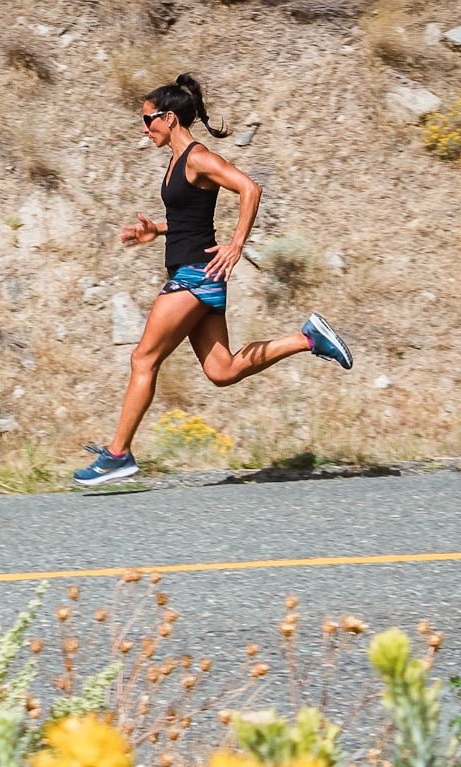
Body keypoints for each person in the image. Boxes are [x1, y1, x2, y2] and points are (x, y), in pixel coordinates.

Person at [72, 73, 353, 487]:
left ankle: (118, 455)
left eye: (148, 120)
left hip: (195, 276)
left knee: (142, 359)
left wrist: (236, 245)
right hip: (195, 273)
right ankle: (307, 338)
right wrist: (158, 232)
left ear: (169, 118)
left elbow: (249, 188)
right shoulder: (177, 161)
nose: (144, 128)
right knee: (222, 370)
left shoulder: (199, 157)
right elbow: (191, 220)